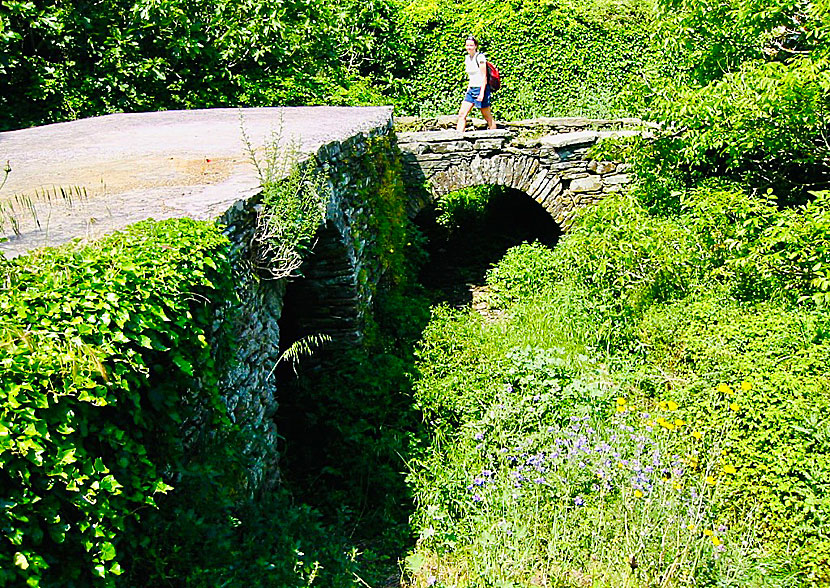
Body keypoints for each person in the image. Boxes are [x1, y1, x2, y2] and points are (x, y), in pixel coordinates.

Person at [456, 35, 496, 132]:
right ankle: (457, 138)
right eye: (467, 45)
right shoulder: (467, 58)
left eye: (471, 45)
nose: (469, 47)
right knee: (462, 114)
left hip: (480, 89)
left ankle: (494, 135)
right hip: (471, 89)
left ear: (475, 46)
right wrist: (468, 90)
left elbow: (484, 76)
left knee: (487, 116)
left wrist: (482, 93)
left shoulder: (480, 57)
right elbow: (471, 77)